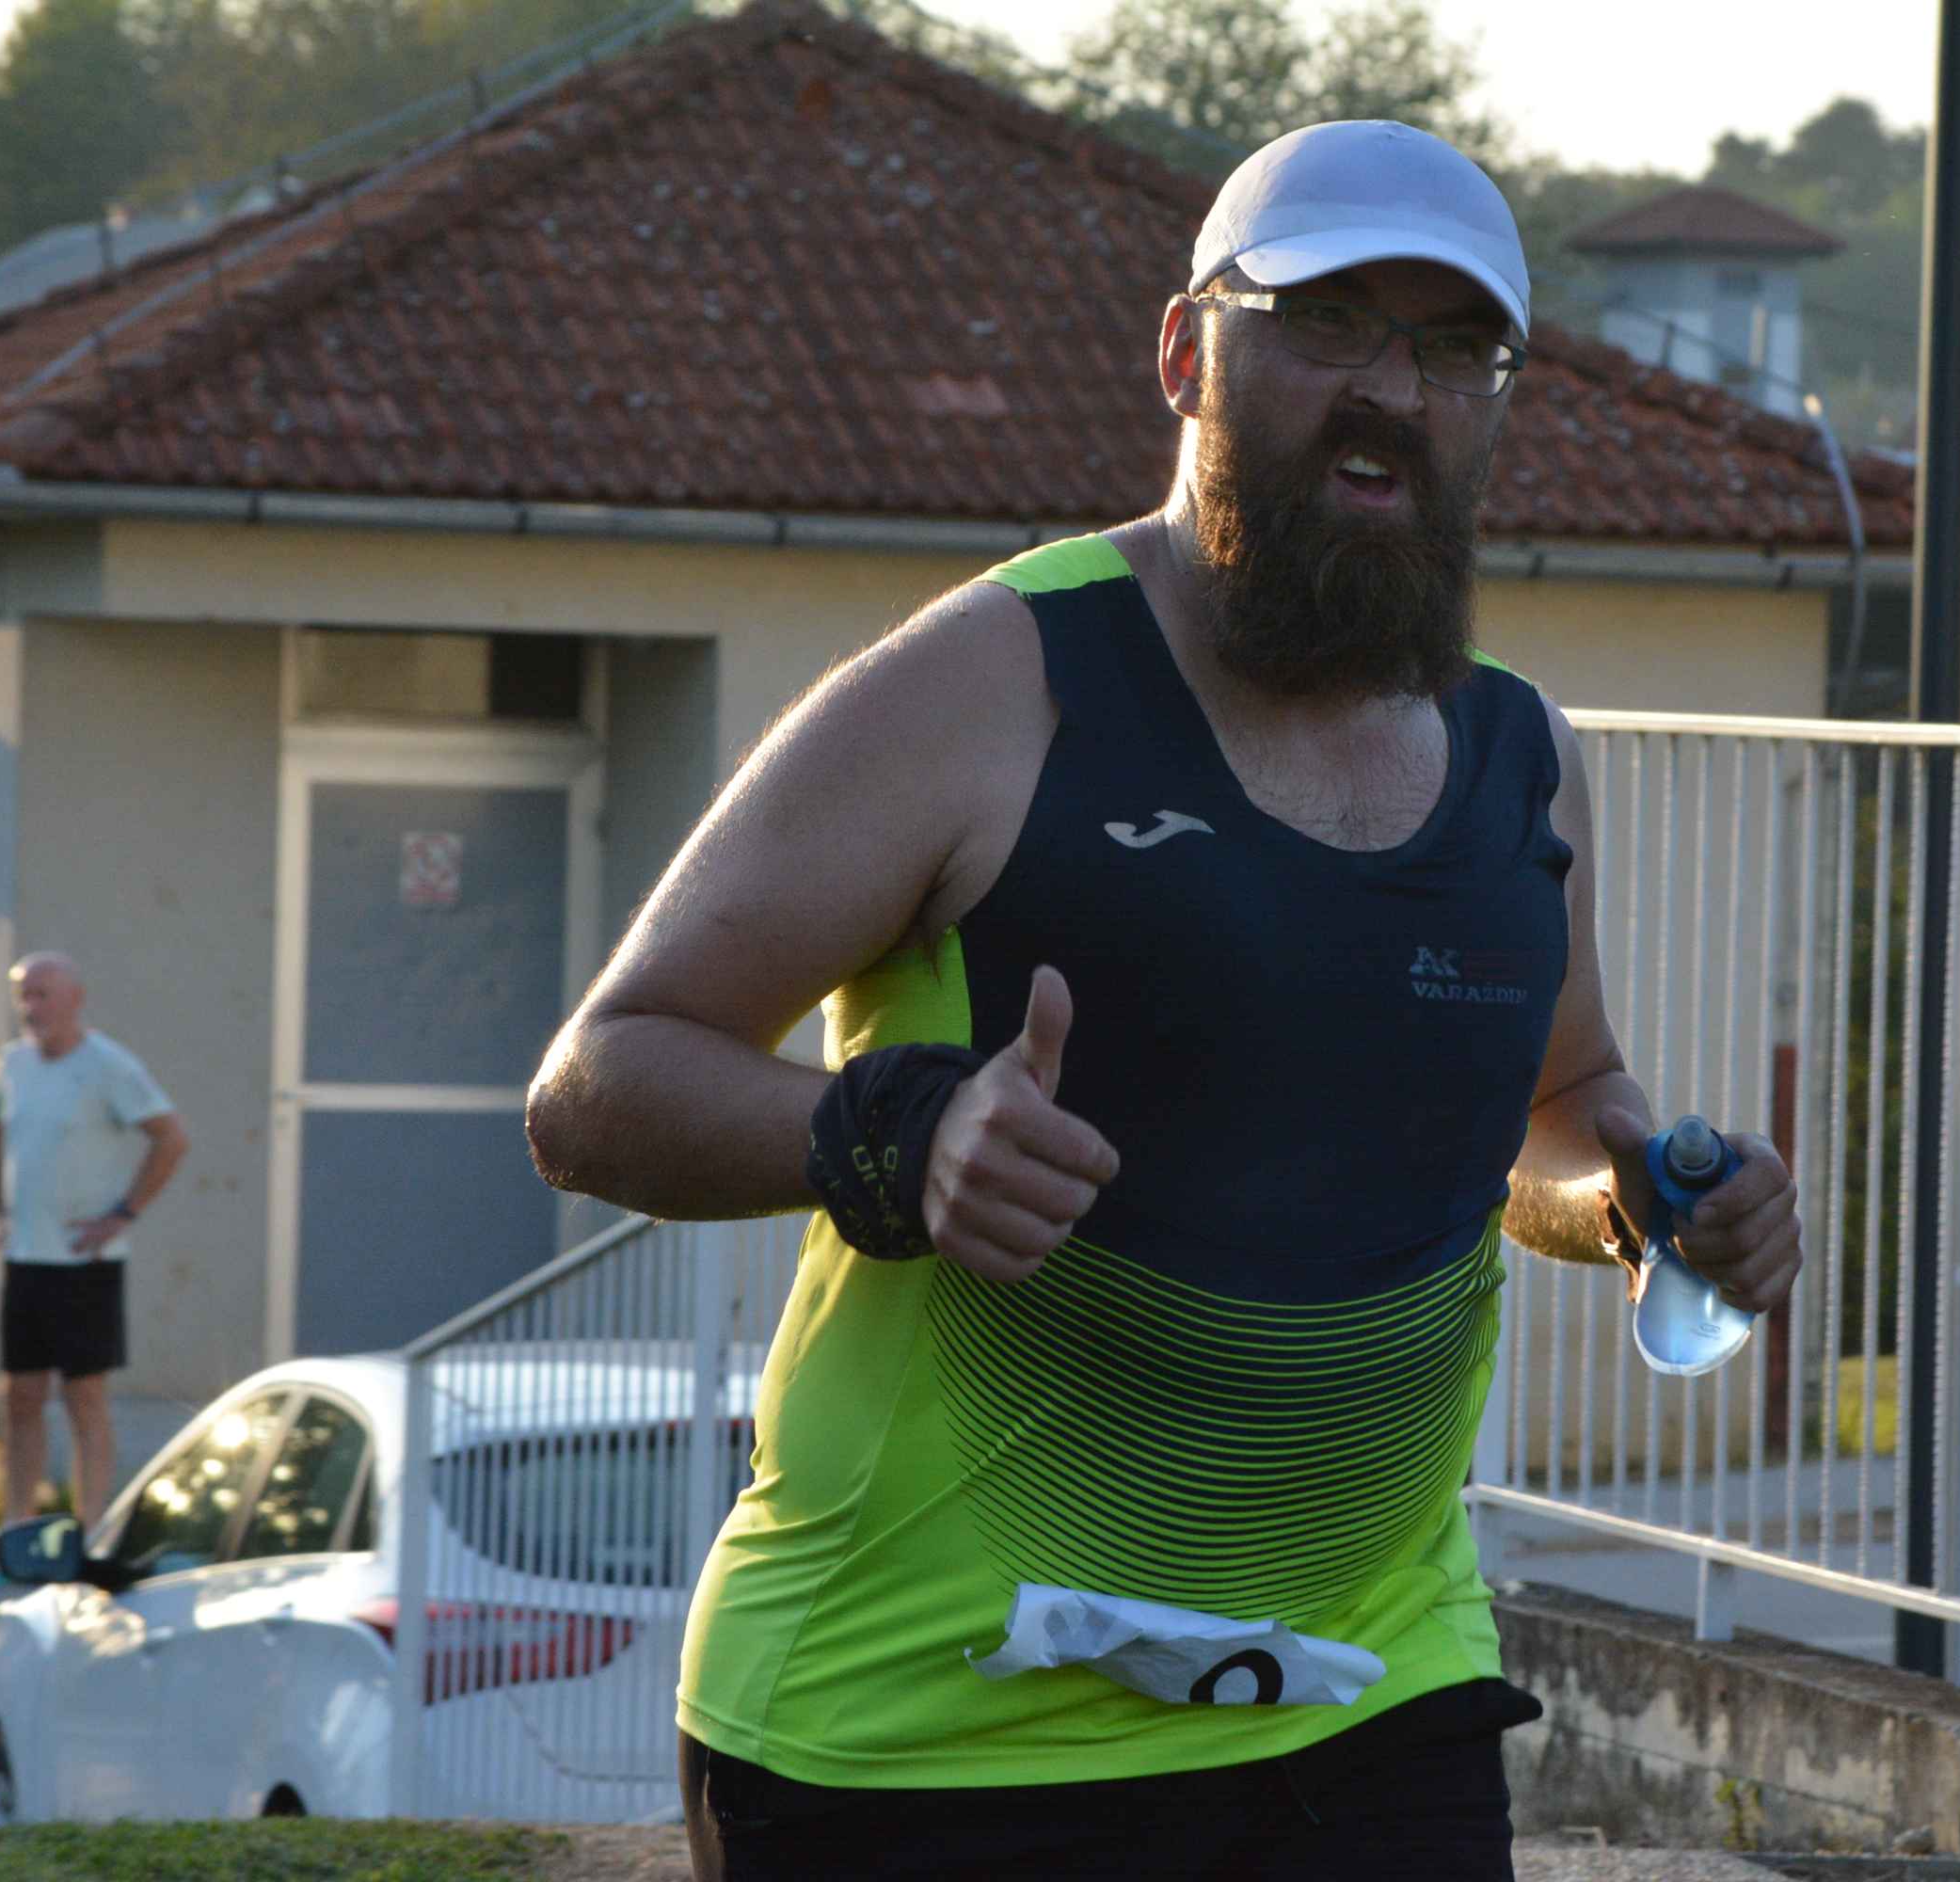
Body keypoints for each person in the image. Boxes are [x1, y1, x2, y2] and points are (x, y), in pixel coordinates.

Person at [521, 120, 1805, 1882]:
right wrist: (898, 1135)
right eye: (1330, 324)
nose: (1392, 393)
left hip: (1365, 1691)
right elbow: (596, 1089)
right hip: (923, 1729)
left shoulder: (1521, 754)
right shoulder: (989, 682)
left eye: (1449, 349)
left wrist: (1649, 1199)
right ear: (1189, 350)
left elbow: (1555, 1100)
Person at [0, 952, 187, 1588]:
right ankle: (14, 1538)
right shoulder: (13, 1063)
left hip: (87, 1263)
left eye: (44, 994)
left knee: (84, 1395)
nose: (32, 1007)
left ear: (75, 998)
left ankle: (90, 1536)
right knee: (20, 1396)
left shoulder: (108, 1066)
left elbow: (171, 1138)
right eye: (24, 995)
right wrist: (0, 1213)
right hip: (27, 1258)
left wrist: (122, 1214)